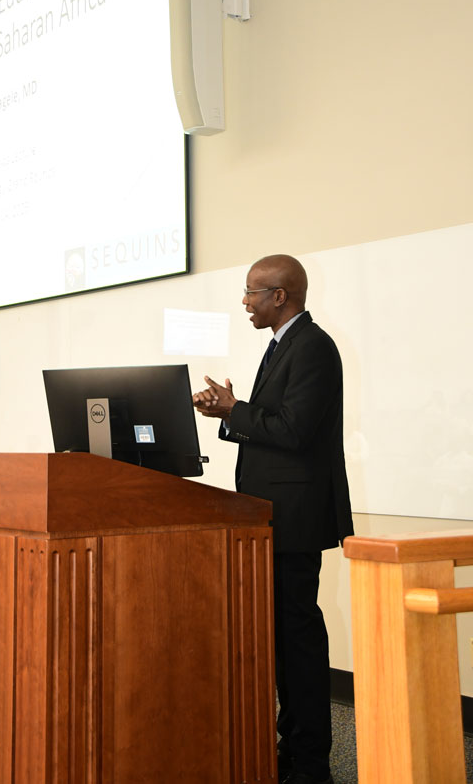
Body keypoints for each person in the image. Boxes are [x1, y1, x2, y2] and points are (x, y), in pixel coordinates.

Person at [192, 254, 353, 784]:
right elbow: (274, 425)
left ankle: (311, 764)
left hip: (294, 518)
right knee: (282, 641)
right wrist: (229, 413)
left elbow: (295, 431)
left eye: (251, 292)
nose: (245, 302)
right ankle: (291, 749)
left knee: (297, 642)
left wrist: (234, 410)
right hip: (271, 516)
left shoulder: (313, 347)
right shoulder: (283, 345)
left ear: (280, 296)